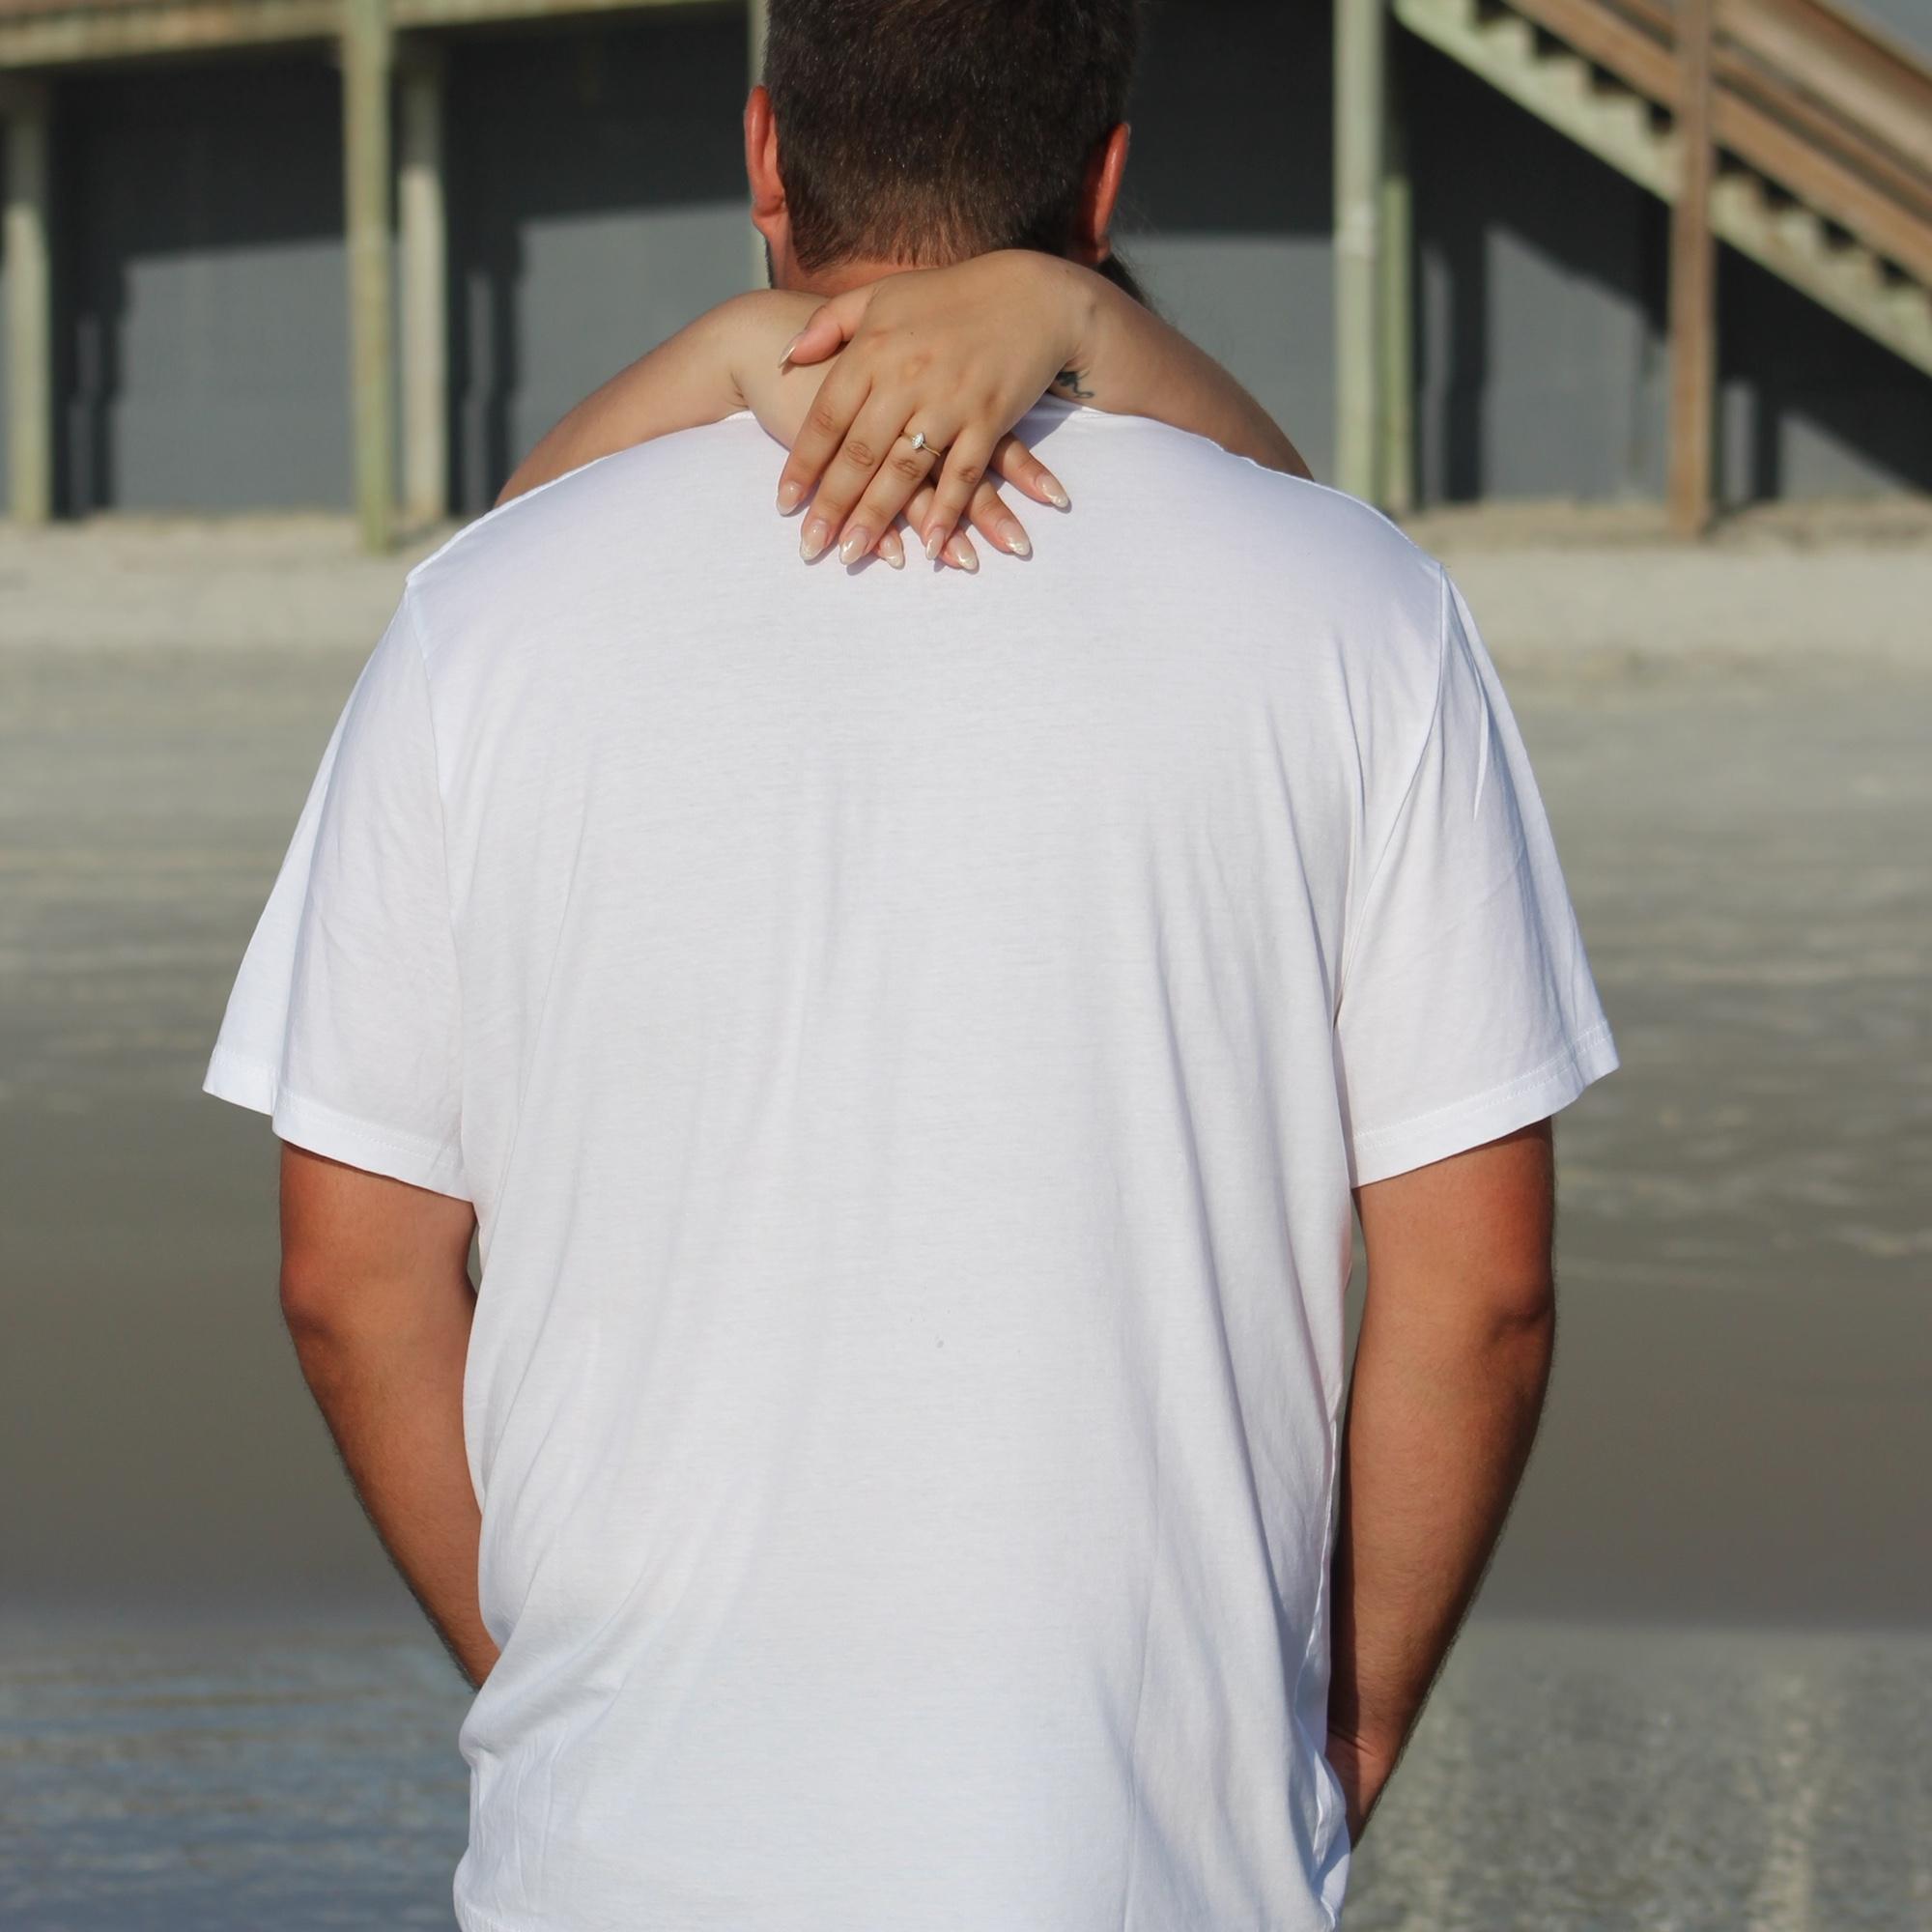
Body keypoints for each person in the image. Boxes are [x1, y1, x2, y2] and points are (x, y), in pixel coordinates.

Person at [202, 3, 1620, 1927]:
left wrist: (563, 1695)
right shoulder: (1364, 613)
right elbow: (1482, 1299)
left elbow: (350, 1281)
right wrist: (1325, 1751)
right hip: (1144, 1863)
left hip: (616, 1860)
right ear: (1106, 182)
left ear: (764, 162)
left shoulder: (483, 624)